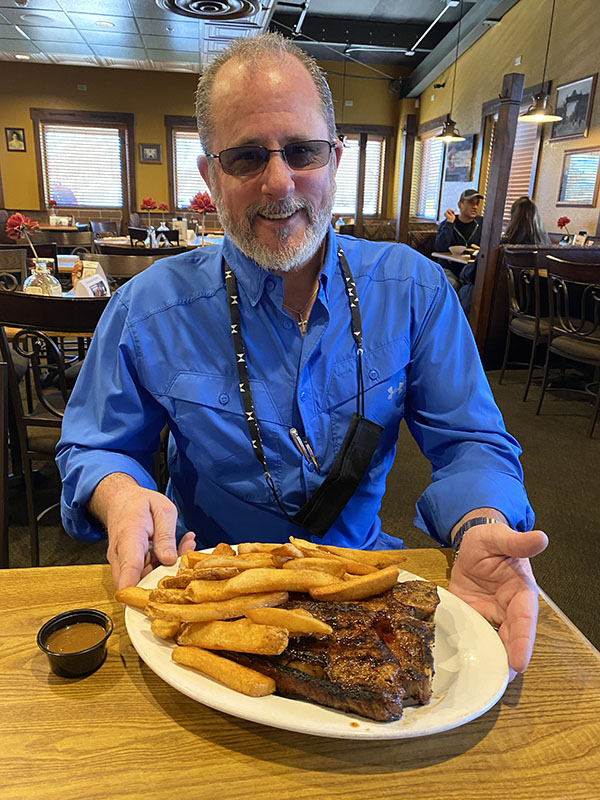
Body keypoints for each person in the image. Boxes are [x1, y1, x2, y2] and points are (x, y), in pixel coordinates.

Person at [57, 33, 547, 680]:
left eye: (302, 151)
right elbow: (94, 448)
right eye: (246, 157)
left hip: (362, 586)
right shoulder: (146, 310)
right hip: (213, 604)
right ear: (210, 176)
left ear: (335, 159)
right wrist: (118, 492)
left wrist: (480, 521)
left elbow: (471, 442)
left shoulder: (415, 292)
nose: (279, 181)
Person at [434, 189, 484, 290]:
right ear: (460, 204)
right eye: (471, 203)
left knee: (477, 289)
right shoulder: (448, 223)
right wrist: (450, 223)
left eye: (477, 204)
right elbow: (440, 248)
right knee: (451, 285)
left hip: (470, 271)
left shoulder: (482, 223)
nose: (475, 207)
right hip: (450, 269)